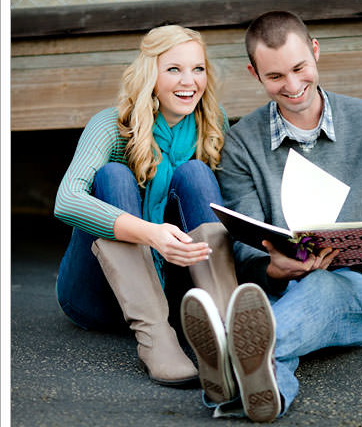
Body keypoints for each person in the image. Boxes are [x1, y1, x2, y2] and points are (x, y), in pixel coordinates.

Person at [180, 11, 362, 422]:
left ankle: (226, 357)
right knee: (281, 331)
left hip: (360, 289)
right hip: (279, 293)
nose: (292, 86)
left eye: (299, 68)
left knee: (322, 286)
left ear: (315, 51)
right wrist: (273, 268)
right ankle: (258, 389)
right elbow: (245, 240)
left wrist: (354, 254)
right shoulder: (241, 144)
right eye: (275, 77)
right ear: (254, 74)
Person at [54, 24, 240, 387]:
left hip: (175, 289)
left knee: (196, 173)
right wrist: (152, 234)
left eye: (197, 69)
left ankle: (226, 328)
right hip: (95, 298)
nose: (189, 81)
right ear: (149, 73)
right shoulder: (111, 125)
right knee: (113, 177)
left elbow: (229, 206)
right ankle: (155, 337)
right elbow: (66, 200)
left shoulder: (213, 125)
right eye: (174, 69)